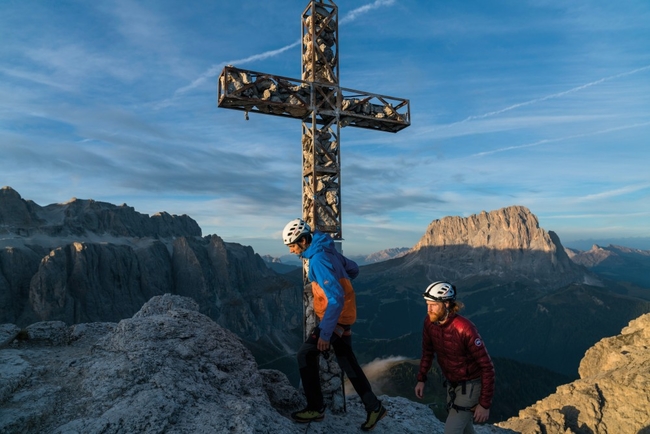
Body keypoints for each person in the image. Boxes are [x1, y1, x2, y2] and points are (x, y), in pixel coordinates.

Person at [282, 218, 386, 431]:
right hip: (344, 317)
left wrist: (325, 334)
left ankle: (315, 407)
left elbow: (336, 298)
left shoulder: (319, 259)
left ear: (303, 240)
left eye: (292, 245)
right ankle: (374, 407)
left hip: (336, 320)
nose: (291, 250)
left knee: (304, 355)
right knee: (348, 363)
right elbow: (354, 269)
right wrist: (342, 279)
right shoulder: (328, 250)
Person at [414, 281, 495, 434]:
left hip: (471, 385)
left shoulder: (465, 328)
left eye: (433, 305)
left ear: (446, 304)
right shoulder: (430, 322)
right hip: (453, 383)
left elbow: (487, 367)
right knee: (464, 427)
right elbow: (427, 351)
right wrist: (421, 379)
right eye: (427, 304)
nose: (428, 309)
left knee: (452, 430)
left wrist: (484, 404)